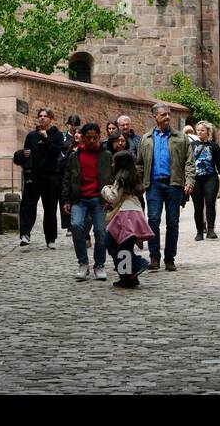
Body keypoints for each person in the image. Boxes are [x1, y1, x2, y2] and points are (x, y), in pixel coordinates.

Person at [137, 103, 196, 271]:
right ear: (154, 117)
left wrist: (190, 181)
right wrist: (139, 184)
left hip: (173, 184)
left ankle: (170, 258)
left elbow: (189, 162)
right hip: (154, 185)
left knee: (172, 222)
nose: (168, 117)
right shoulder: (146, 139)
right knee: (153, 220)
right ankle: (154, 257)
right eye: (163, 115)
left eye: (169, 114)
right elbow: (139, 164)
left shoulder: (180, 137)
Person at [61, 122, 113, 281]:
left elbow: (111, 178)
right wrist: (66, 199)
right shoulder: (74, 156)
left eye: (95, 138)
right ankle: (83, 263)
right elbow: (67, 179)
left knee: (100, 231)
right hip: (79, 198)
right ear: (82, 138)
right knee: (76, 226)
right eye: (88, 138)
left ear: (99, 137)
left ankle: (99, 265)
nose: (91, 141)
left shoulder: (106, 155)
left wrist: (110, 198)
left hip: (99, 199)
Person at [102, 151, 154, 290]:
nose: (112, 164)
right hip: (135, 214)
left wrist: (105, 189)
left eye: (114, 162)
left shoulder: (120, 179)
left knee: (111, 243)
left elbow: (114, 197)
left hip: (124, 216)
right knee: (125, 247)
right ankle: (130, 278)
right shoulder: (135, 178)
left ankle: (137, 263)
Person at [19, 107, 65, 249]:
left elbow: (57, 152)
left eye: (45, 116)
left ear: (51, 118)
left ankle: (50, 239)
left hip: (51, 176)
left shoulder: (57, 135)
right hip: (34, 175)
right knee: (28, 205)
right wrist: (24, 155)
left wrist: (46, 139)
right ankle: (25, 234)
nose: (42, 118)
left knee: (50, 209)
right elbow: (26, 155)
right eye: (40, 116)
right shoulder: (31, 136)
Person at [190, 120, 220, 240]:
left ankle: (211, 229)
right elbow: (187, 163)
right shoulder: (192, 146)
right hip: (196, 178)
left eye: (202, 130)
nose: (200, 132)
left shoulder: (214, 146)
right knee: (198, 206)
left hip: (210, 178)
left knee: (210, 203)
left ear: (208, 132)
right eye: (198, 130)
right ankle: (199, 231)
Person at [60, 114, 82, 234]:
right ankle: (68, 224)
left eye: (75, 125)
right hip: (65, 169)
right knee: (66, 198)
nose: (73, 127)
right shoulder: (63, 137)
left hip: (78, 172)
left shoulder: (82, 136)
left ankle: (75, 224)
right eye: (71, 124)